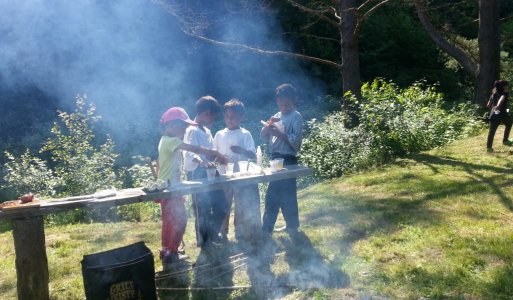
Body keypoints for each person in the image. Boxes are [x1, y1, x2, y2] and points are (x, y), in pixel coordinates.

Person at [157, 106, 227, 265]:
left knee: (169, 220)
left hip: (168, 185)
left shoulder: (164, 141)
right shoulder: (172, 141)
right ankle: (172, 252)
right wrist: (215, 153)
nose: (185, 131)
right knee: (179, 219)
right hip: (171, 187)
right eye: (183, 127)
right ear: (171, 125)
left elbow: (161, 162)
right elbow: (193, 148)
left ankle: (166, 250)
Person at [213, 99, 262, 246]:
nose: (230, 119)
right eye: (227, 116)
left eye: (234, 116)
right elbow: (213, 154)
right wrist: (218, 159)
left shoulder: (245, 134)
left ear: (242, 117)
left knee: (241, 204)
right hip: (224, 176)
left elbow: (253, 155)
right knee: (224, 205)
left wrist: (241, 150)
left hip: (241, 177)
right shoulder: (219, 134)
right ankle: (222, 232)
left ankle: (241, 231)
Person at [183, 96, 229, 248]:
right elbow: (189, 152)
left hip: (211, 171)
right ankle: (204, 242)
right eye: (213, 117)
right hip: (197, 173)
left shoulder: (207, 131)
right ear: (205, 113)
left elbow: (208, 153)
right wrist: (201, 161)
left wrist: (217, 158)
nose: (213, 120)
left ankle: (212, 236)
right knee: (202, 209)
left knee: (221, 205)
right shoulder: (191, 130)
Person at [261, 84, 303, 236]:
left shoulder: (296, 116)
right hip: (275, 158)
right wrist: (268, 126)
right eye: (281, 103)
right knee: (273, 193)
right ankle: (270, 228)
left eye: (287, 104)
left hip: (289, 158)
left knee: (287, 194)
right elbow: (264, 135)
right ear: (277, 101)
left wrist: (279, 134)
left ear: (294, 101)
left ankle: (289, 226)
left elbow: (296, 142)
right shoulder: (276, 115)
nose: (284, 107)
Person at [486, 80, 512, 152]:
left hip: (493, 115)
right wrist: (497, 107)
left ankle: (489, 148)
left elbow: (488, 105)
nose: (508, 87)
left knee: (491, 132)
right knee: (509, 124)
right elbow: (501, 99)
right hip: (503, 115)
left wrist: (494, 111)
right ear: (504, 87)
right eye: (507, 85)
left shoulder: (493, 94)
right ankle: (505, 140)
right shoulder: (505, 94)